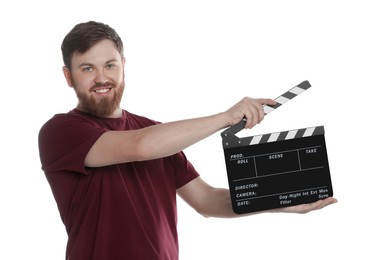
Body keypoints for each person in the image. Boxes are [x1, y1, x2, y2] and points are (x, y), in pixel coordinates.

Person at [38, 21, 337, 260]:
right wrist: (227, 116)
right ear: (68, 76)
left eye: (110, 65)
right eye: (87, 68)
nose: (102, 77)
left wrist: (277, 200)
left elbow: (207, 200)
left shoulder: (156, 132)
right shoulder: (61, 131)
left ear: (124, 65)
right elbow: (140, 147)